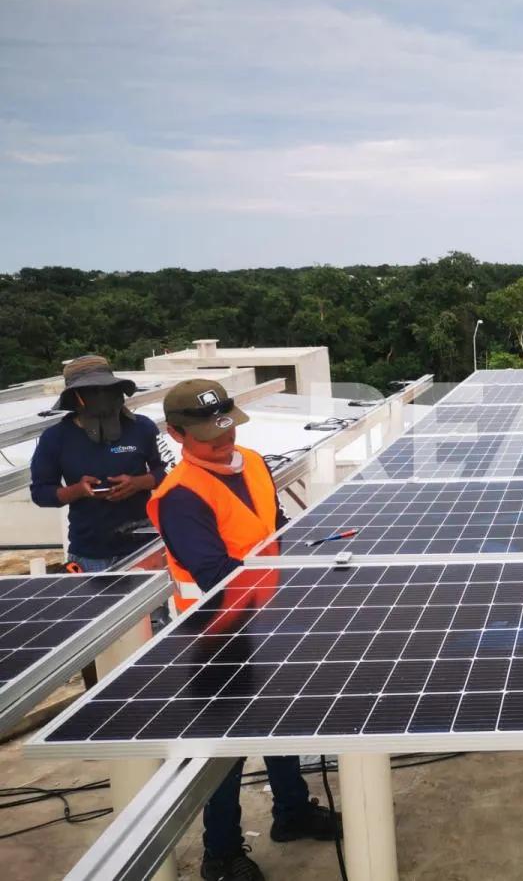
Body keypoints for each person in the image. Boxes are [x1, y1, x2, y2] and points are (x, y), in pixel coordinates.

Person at [147, 379, 339, 881]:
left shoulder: (253, 462)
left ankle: (292, 812)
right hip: (215, 631)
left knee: (279, 721)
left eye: (226, 428)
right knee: (225, 747)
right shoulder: (179, 496)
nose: (223, 440)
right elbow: (215, 574)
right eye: (208, 435)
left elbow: (273, 528)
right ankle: (222, 853)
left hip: (267, 614)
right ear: (175, 434)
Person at [29, 354, 171, 571]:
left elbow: (168, 473)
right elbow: (40, 493)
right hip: (89, 553)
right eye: (92, 391)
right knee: (96, 606)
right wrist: (78, 490)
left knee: (150, 605)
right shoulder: (55, 438)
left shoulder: (142, 428)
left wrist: (139, 483)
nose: (101, 396)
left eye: (106, 389)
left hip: (143, 549)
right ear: (76, 397)